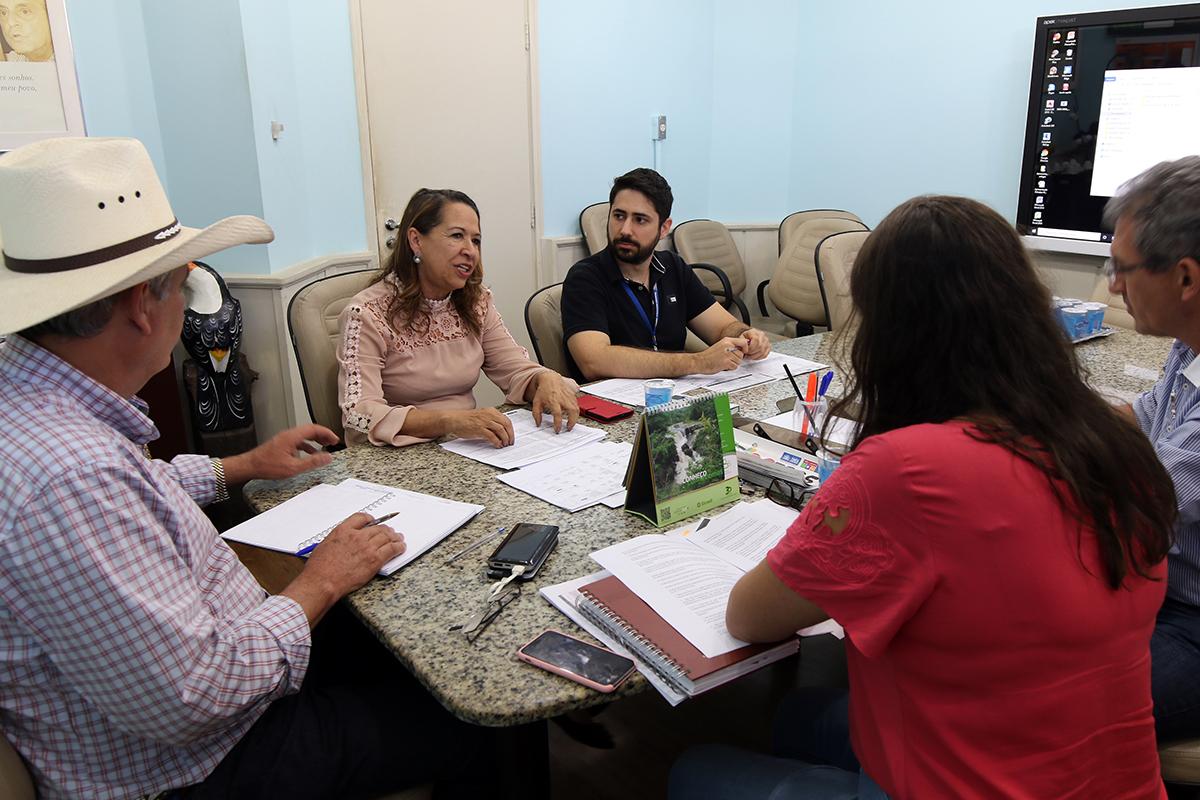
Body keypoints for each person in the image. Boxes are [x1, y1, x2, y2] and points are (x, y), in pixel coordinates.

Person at [0, 137, 489, 799]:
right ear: (144, 305)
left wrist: (242, 464)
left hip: (222, 668)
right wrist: (319, 583)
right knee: (471, 718)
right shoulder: (71, 478)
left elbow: (134, 492)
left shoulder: (44, 411)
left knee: (415, 652)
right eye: (186, 282)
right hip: (204, 762)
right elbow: (196, 696)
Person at [672, 196, 1175, 799]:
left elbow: (747, 615)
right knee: (799, 717)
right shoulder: (1117, 437)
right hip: (1105, 777)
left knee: (691, 768)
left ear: (892, 332)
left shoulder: (905, 469)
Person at [337, 187, 579, 447]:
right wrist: (449, 421)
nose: (470, 251)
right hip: (397, 455)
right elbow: (359, 413)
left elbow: (514, 369)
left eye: (476, 240)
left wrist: (544, 379)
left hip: (463, 446)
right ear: (416, 241)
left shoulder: (476, 302)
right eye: (457, 236)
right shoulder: (367, 313)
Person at [1104, 155, 1200, 743]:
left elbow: (1144, 499)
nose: (1113, 286)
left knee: (1042, 704)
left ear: (1186, 278)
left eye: (1122, 269)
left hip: (1191, 625)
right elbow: (1139, 421)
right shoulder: (1189, 343)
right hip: (1157, 585)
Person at [560, 168, 772, 381]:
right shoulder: (585, 277)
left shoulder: (672, 267)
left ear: (664, 228)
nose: (625, 229)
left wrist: (746, 336)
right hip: (615, 406)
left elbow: (723, 326)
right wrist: (698, 362)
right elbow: (594, 361)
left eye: (640, 220)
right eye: (619, 216)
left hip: (672, 397)